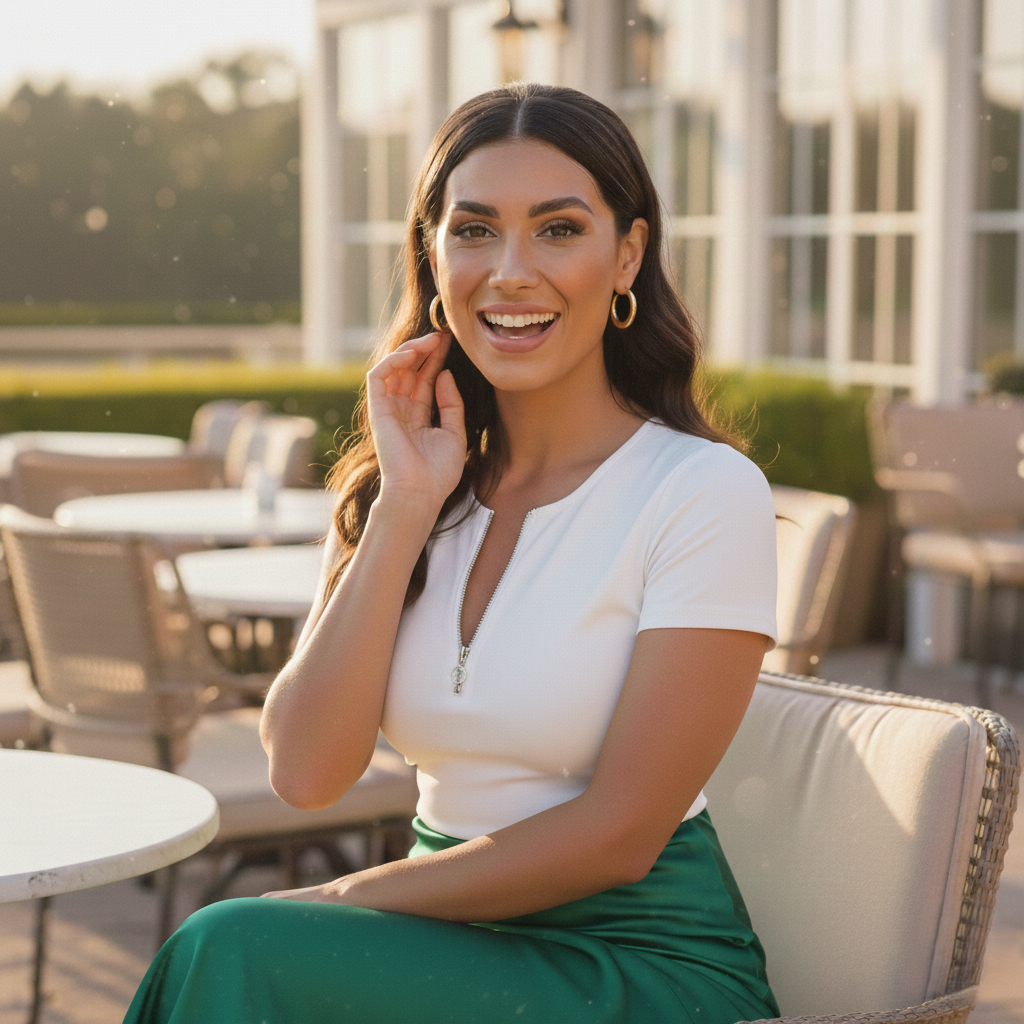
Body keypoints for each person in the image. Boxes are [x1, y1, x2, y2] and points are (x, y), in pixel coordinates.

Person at [123, 83, 780, 1024]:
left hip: (639, 962)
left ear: (627, 252)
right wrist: (403, 506)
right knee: (235, 954)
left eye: (558, 229)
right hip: (442, 941)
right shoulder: (408, 494)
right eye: (474, 230)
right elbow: (306, 772)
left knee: (228, 948)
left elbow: (621, 836)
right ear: (433, 257)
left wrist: (345, 898)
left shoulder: (700, 492)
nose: (511, 271)